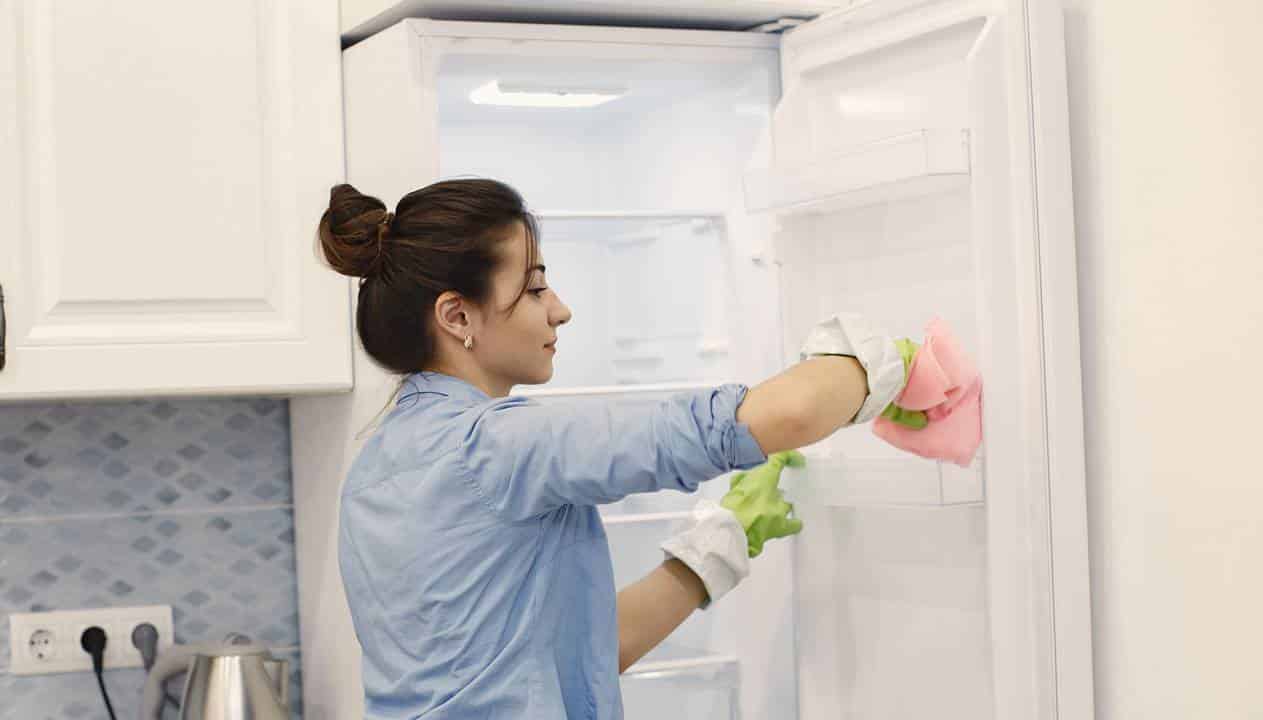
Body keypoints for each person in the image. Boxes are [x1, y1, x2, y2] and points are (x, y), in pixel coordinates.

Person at [317, 179, 910, 719]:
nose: (559, 309)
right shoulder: (498, 445)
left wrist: (716, 548)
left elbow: (574, 658)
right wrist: (886, 361)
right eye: (534, 287)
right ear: (456, 314)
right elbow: (781, 414)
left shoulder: (375, 466)